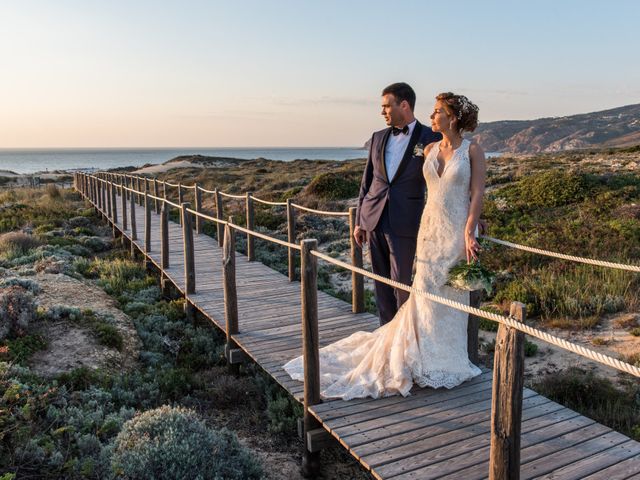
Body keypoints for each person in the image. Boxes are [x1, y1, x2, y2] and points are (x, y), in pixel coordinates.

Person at [284, 92, 485, 400]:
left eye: (438, 112)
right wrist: (363, 218)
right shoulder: (422, 146)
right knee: (421, 292)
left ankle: (447, 357)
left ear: (452, 117)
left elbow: (476, 193)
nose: (433, 116)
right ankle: (418, 352)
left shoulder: (466, 149)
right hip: (426, 230)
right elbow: (377, 179)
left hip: (450, 230)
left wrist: (472, 227)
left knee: (448, 294)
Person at [354, 82, 441, 326]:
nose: (383, 112)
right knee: (380, 284)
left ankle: (403, 335)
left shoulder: (430, 138)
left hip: (405, 220)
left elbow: (444, 181)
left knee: (401, 284)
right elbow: (367, 181)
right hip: (373, 219)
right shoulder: (378, 137)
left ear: (404, 105)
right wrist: (360, 221)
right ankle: (386, 335)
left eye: (386, 106)